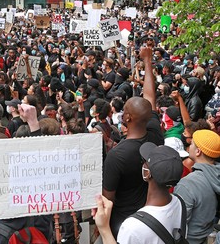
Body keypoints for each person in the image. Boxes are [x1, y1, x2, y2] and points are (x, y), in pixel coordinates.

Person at [102, 46, 164, 237]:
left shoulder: (117, 156)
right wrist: (147, 61)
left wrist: (104, 232)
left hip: (124, 227)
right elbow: (149, 98)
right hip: (151, 220)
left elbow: (107, 200)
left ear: (126, 118)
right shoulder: (155, 133)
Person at [94, 142, 184, 244]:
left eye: (144, 162)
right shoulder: (180, 203)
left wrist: (104, 228)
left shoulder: (132, 227)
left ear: (147, 173)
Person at [174, 129, 220, 244]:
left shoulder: (188, 184)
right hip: (205, 236)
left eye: (192, 144)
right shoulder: (216, 174)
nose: (189, 146)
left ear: (198, 151)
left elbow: (178, 224)